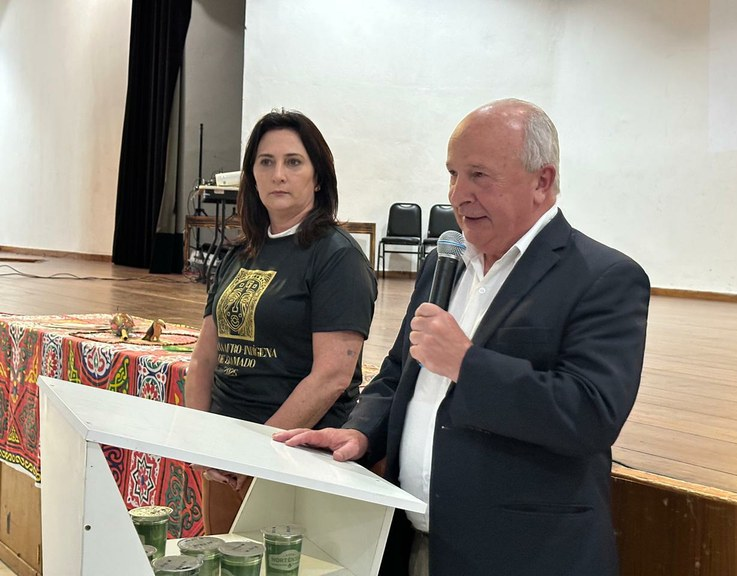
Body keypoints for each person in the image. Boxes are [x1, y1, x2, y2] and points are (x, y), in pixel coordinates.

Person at [274, 98, 650, 575]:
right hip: (415, 543)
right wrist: (362, 431)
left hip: (522, 556)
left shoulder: (603, 277)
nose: (458, 194)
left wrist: (467, 365)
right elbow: (398, 374)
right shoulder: (445, 263)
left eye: (479, 175)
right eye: (453, 174)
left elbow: (589, 414)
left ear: (543, 181)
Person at [185, 109, 377, 535]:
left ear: (318, 177)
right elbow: (203, 359)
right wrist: (200, 441)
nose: (278, 175)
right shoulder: (239, 254)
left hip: (293, 457)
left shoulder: (337, 257)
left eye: (293, 162)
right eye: (266, 162)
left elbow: (331, 377)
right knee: (224, 558)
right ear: (251, 176)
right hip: (227, 455)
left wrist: (256, 453)